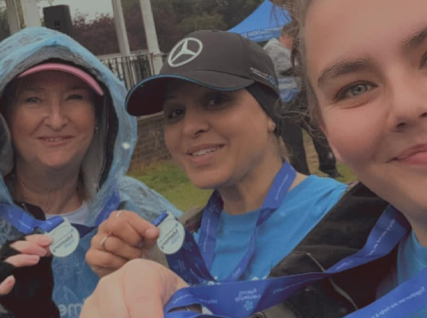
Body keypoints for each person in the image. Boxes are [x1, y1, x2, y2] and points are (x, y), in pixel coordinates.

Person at [80, 0, 427, 317]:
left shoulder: (329, 221)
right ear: (324, 125)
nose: (407, 106)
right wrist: (163, 281)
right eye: (356, 87)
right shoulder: (207, 241)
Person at [0, 27, 178, 318]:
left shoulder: (141, 210)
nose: (56, 119)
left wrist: (154, 271)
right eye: (33, 100)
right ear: (3, 116)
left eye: (74, 97)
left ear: (99, 113)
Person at [84, 30, 348, 283]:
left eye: (215, 101)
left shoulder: (343, 217)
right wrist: (135, 277)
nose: (190, 127)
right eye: (175, 113)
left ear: (271, 113)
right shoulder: (177, 245)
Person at [264, 24, 340, 178]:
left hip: (300, 100)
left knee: (319, 133)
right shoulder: (271, 50)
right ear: (286, 37)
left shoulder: (294, 50)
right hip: (284, 105)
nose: (296, 44)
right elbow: (279, 72)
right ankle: (303, 176)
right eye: (294, 40)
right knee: (294, 144)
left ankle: (329, 167)